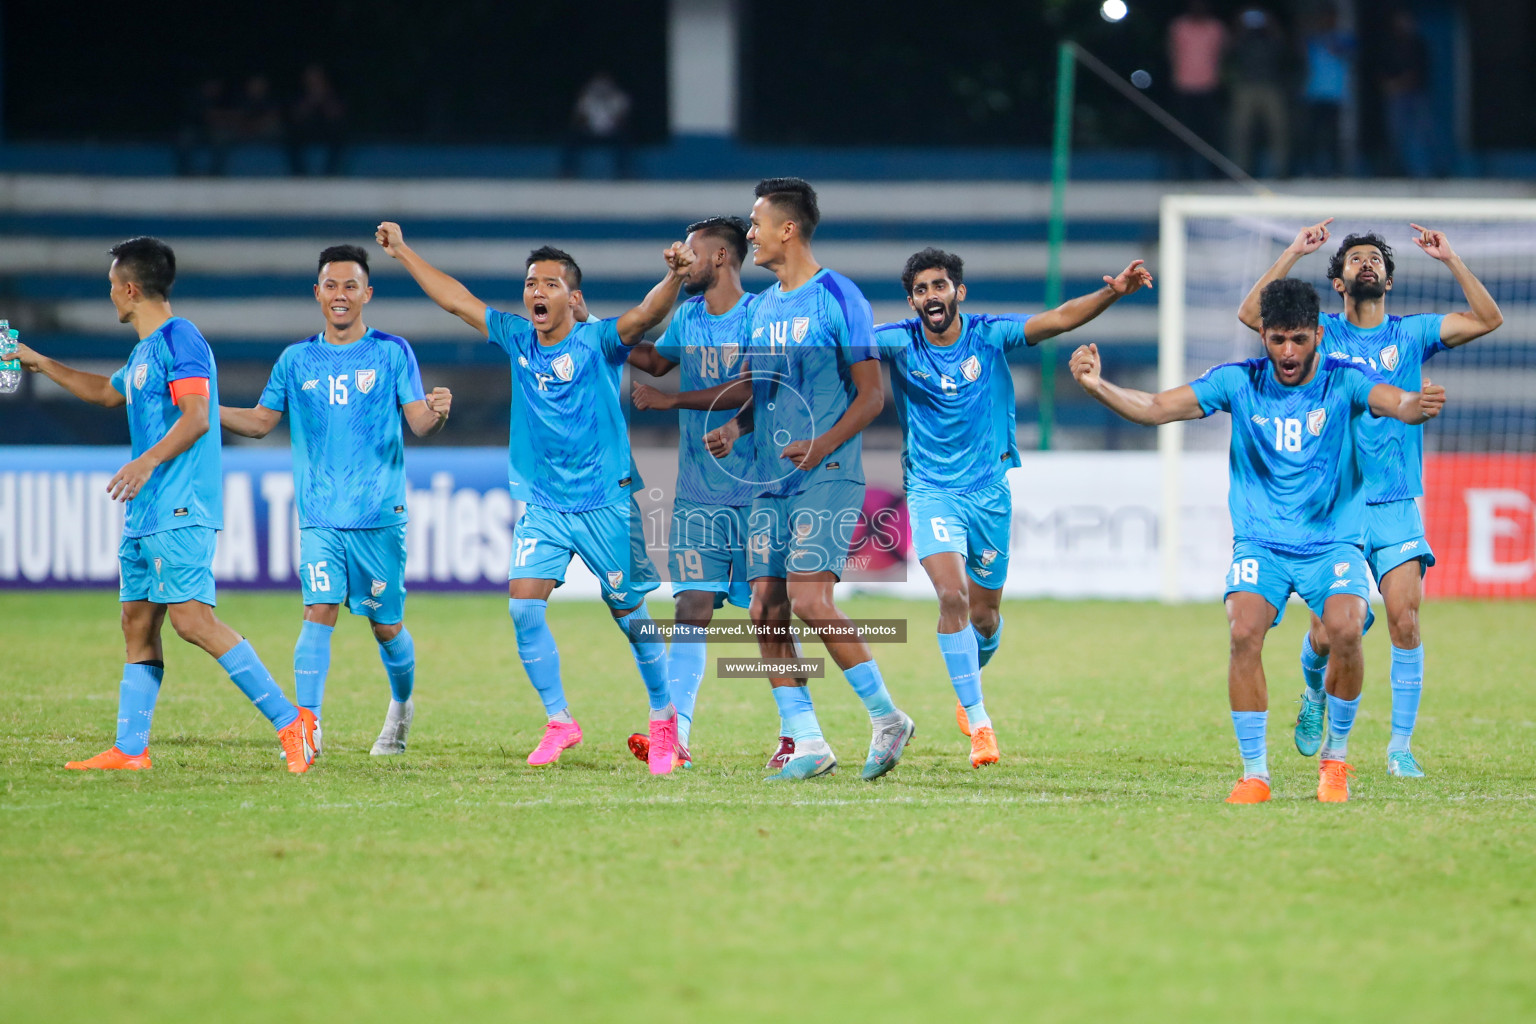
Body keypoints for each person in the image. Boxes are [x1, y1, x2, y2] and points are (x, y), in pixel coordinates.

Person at [1072, 278, 1446, 803]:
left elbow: (1393, 400)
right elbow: (1156, 407)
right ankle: (1254, 774)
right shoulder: (1237, 382)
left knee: (1344, 630)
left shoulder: (1345, 379)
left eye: (1298, 339)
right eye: (1276, 340)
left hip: (1332, 543)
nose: (1287, 352)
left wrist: (1414, 404)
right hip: (1261, 544)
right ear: (1263, 337)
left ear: (1318, 334)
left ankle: (1335, 761)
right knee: (1243, 629)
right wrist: (1096, 386)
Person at [375, 222, 695, 774]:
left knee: (630, 613)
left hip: (604, 502)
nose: (536, 293)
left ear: (574, 298)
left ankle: (665, 721)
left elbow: (645, 317)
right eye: (530, 283)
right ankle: (560, 721)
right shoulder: (518, 337)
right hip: (545, 504)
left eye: (550, 284)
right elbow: (457, 301)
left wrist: (672, 276)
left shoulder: (598, 341)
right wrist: (403, 251)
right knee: (524, 605)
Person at [7, 237, 317, 772]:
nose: (110, 297)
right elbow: (108, 393)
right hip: (146, 511)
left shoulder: (183, 339)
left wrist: (145, 461)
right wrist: (38, 362)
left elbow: (197, 415)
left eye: (111, 288)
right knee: (136, 621)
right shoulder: (145, 351)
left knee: (193, 621)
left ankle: (293, 725)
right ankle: (131, 750)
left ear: (130, 289)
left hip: (181, 504)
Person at [1237, 221, 1503, 778]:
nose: (1366, 263)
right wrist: (1291, 252)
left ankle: (1399, 747)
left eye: (1375, 259)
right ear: (1338, 281)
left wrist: (1452, 259)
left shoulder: (1412, 333)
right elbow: (1252, 316)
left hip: (1396, 500)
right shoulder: (1321, 334)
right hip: (1333, 506)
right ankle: (1313, 691)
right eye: (1355, 258)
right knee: (1330, 633)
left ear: (1387, 277)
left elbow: (1488, 318)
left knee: (1405, 619)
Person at [875, 248, 1153, 769]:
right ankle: (980, 722)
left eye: (939, 286)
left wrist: (1112, 293)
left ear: (959, 292)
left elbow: (1059, 318)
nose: (930, 297)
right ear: (911, 300)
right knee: (951, 595)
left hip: (988, 493)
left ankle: (967, 680)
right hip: (931, 490)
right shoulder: (898, 341)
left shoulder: (990, 333)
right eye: (920, 290)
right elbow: (838, 341)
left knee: (983, 617)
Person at [704, 177, 913, 782]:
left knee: (809, 600)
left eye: (756, 221)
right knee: (765, 608)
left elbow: (872, 397)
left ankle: (886, 717)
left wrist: (820, 445)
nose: (749, 232)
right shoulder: (762, 308)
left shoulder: (839, 297)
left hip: (829, 471)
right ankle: (807, 740)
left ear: (787, 229)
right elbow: (764, 393)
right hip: (771, 478)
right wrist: (738, 428)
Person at [220, 244, 453, 757]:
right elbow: (261, 422)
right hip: (321, 516)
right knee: (317, 610)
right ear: (317, 294)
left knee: (386, 626)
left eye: (351, 286)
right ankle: (308, 728)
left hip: (377, 516)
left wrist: (437, 410)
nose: (341, 295)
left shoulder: (393, 352)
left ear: (367, 293)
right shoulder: (295, 360)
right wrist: (203, 409)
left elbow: (417, 422)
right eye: (331, 285)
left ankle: (401, 707)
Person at [624, 216, 758, 768]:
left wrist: (668, 401)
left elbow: (752, 388)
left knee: (770, 615)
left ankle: (799, 731)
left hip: (760, 492)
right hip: (699, 493)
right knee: (691, 609)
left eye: (692, 253)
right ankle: (674, 735)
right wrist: (595, 327)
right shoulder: (688, 314)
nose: (682, 257)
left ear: (722, 257)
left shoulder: (760, 315)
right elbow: (655, 360)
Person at [1166, 0, 1227, 178]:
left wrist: (1220, 76)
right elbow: (1171, 51)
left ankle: (1215, 174)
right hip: (1183, 85)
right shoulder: (1179, 26)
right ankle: (1183, 173)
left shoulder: (1216, 27)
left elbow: (1223, 52)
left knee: (1212, 133)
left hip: (1209, 86)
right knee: (1182, 133)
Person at [1227, 7, 1290, 178]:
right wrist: (1239, 25)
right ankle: (1239, 170)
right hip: (1245, 86)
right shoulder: (1241, 38)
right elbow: (1228, 50)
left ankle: (1279, 170)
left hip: (1271, 86)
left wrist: (1271, 24)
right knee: (1240, 131)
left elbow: (1284, 48)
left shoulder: (1271, 37)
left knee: (1278, 130)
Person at [1300, 5, 1355, 177]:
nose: (1326, 22)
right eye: (1324, 19)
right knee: (1312, 134)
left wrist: (1333, 44)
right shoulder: (1312, 40)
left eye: (1330, 19)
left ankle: (1336, 170)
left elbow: (1352, 50)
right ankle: (1310, 169)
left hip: (1334, 95)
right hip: (1314, 94)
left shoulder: (1344, 39)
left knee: (1332, 135)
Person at [560, 72, 632, 179]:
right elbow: (579, 118)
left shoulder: (619, 98)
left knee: (624, 139)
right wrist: (586, 125)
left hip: (610, 133)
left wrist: (612, 124)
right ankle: (567, 171)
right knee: (571, 137)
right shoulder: (586, 98)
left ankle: (623, 172)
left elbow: (622, 119)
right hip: (590, 132)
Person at [287, 64, 346, 176]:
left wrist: (324, 99)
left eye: (316, 77)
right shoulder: (299, 94)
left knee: (339, 138)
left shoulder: (332, 93)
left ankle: (330, 173)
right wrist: (310, 101)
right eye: (310, 77)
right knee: (291, 139)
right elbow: (296, 117)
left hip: (327, 131)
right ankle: (299, 174)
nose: (313, 80)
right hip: (306, 131)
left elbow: (336, 115)